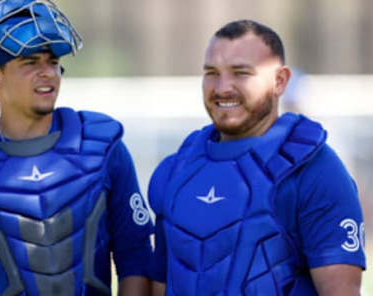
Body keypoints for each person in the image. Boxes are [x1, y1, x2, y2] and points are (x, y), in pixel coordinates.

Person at [0, 0, 153, 295]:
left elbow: (136, 256)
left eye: (52, 61)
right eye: (30, 62)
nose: (47, 72)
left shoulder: (102, 150)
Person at [148, 20, 365, 296]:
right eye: (212, 73)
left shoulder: (314, 169)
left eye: (240, 73)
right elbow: (161, 285)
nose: (222, 87)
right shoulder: (177, 171)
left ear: (279, 81)